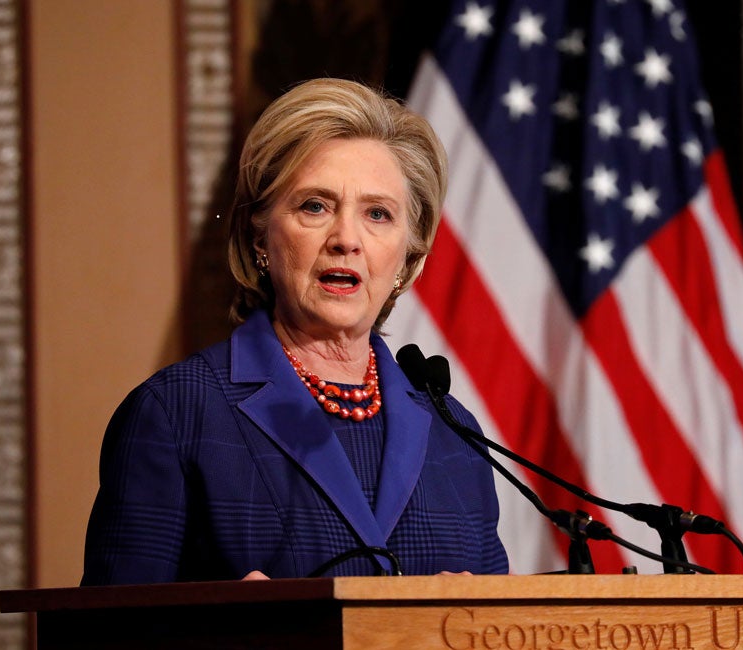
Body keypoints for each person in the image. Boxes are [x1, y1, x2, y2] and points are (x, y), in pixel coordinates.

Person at [81, 78, 509, 584]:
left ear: (408, 257)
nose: (346, 239)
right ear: (259, 235)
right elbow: (108, 625)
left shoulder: (454, 435)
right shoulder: (177, 413)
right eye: (315, 206)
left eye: (377, 214)